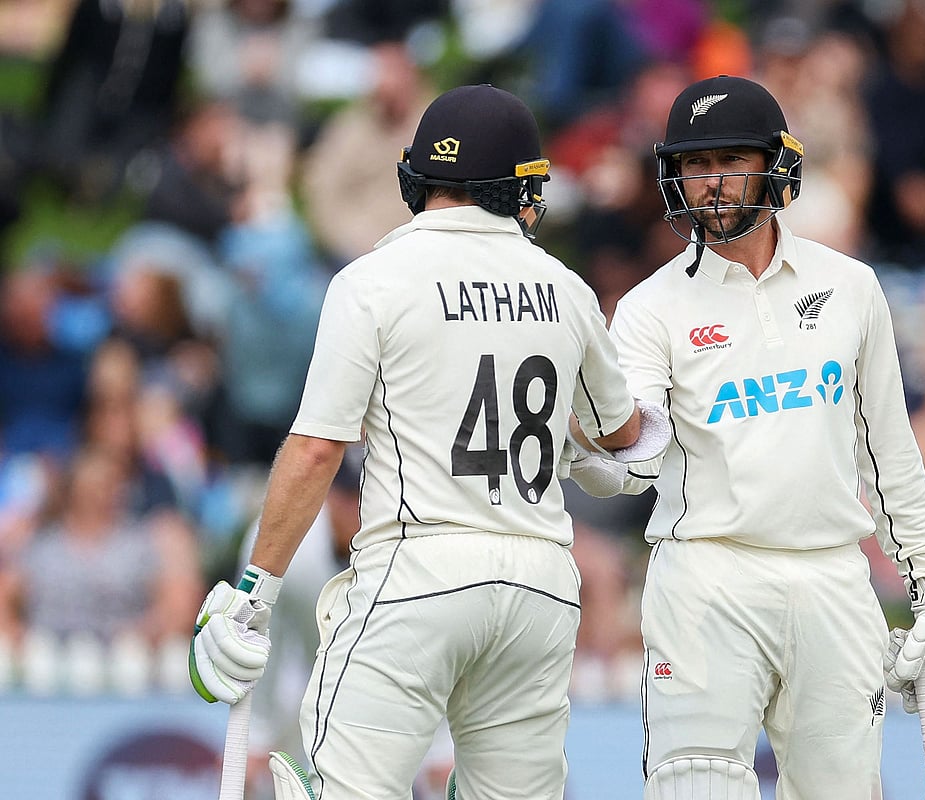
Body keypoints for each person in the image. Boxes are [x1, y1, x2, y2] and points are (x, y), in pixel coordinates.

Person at [188, 83, 667, 800]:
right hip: (539, 584)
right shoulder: (564, 289)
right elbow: (623, 436)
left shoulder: (371, 281)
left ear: (417, 179)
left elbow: (318, 450)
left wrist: (253, 594)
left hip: (418, 573)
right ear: (517, 187)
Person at [598, 75, 925, 799]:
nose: (710, 183)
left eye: (729, 161)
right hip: (707, 576)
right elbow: (639, 442)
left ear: (778, 166)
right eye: (694, 166)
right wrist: (608, 446)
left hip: (833, 578)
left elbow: (887, 450)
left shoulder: (852, 288)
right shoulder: (649, 308)